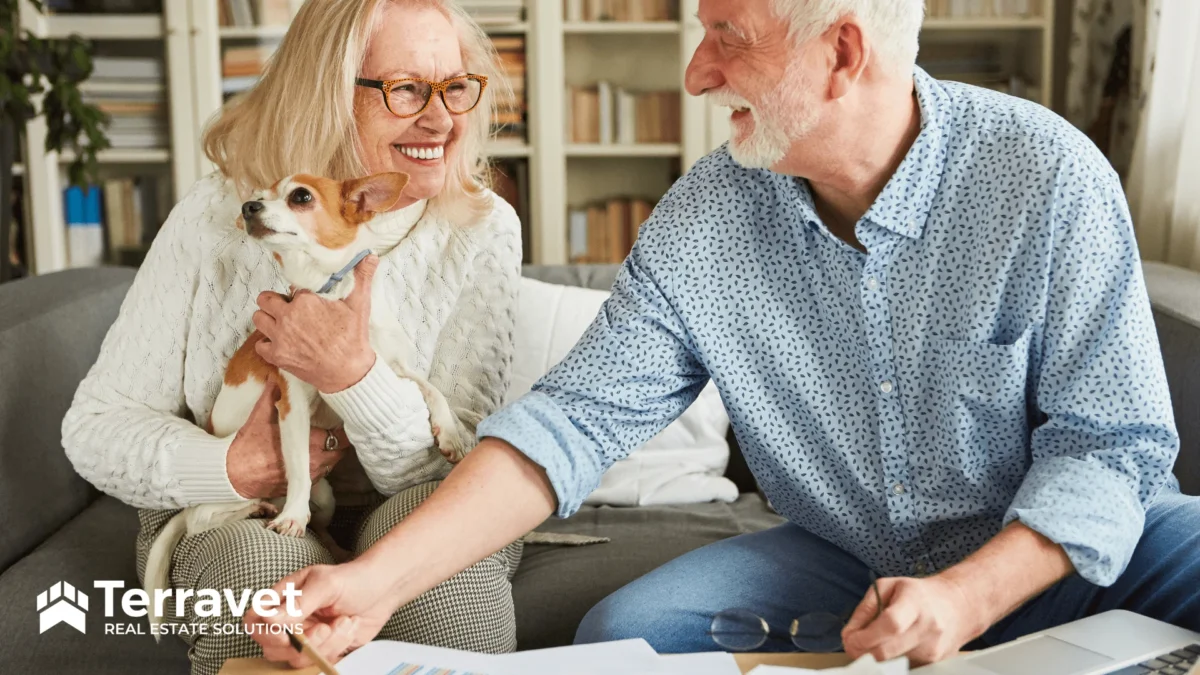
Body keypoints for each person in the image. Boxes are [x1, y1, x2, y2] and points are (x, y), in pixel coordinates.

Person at [247, 0, 1200, 668]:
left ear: (842, 52)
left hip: (1065, 551)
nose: (698, 72)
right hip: (856, 556)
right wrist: (369, 582)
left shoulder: (1047, 176)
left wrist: (967, 597)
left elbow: (1112, 449)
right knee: (628, 634)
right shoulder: (708, 215)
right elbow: (570, 424)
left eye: (726, 39)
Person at [60, 1, 522, 673]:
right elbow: (95, 426)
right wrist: (231, 467)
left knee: (448, 592)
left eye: (454, 86)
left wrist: (355, 378)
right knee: (260, 579)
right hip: (236, 510)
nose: (442, 118)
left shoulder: (484, 228)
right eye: (405, 89)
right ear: (328, 93)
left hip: (412, 498)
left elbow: (469, 468)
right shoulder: (217, 216)